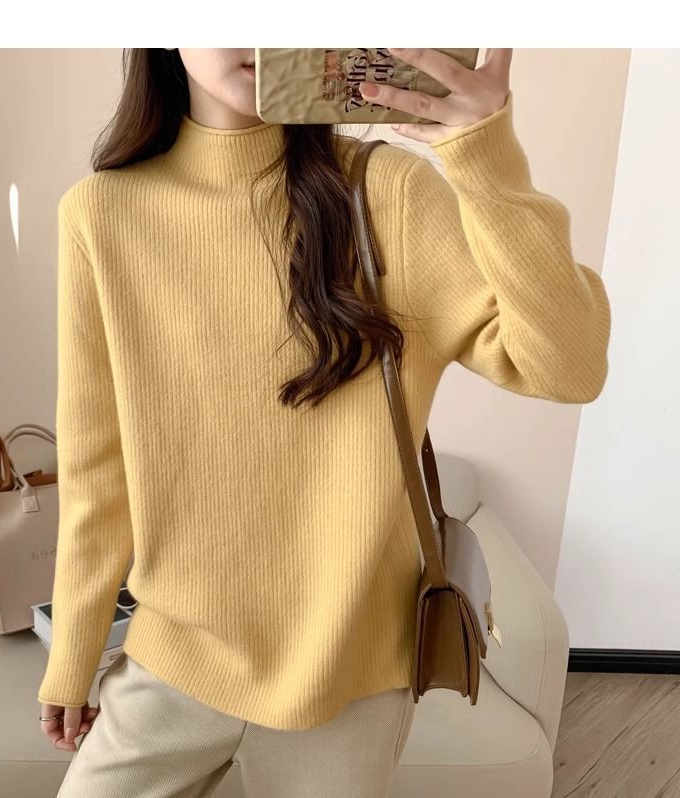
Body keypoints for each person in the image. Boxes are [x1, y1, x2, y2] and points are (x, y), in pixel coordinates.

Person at [37, 47, 611, 797]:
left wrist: (486, 156)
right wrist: (73, 653)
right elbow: (96, 466)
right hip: (170, 665)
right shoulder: (101, 213)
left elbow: (569, 368)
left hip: (350, 688)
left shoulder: (387, 194)